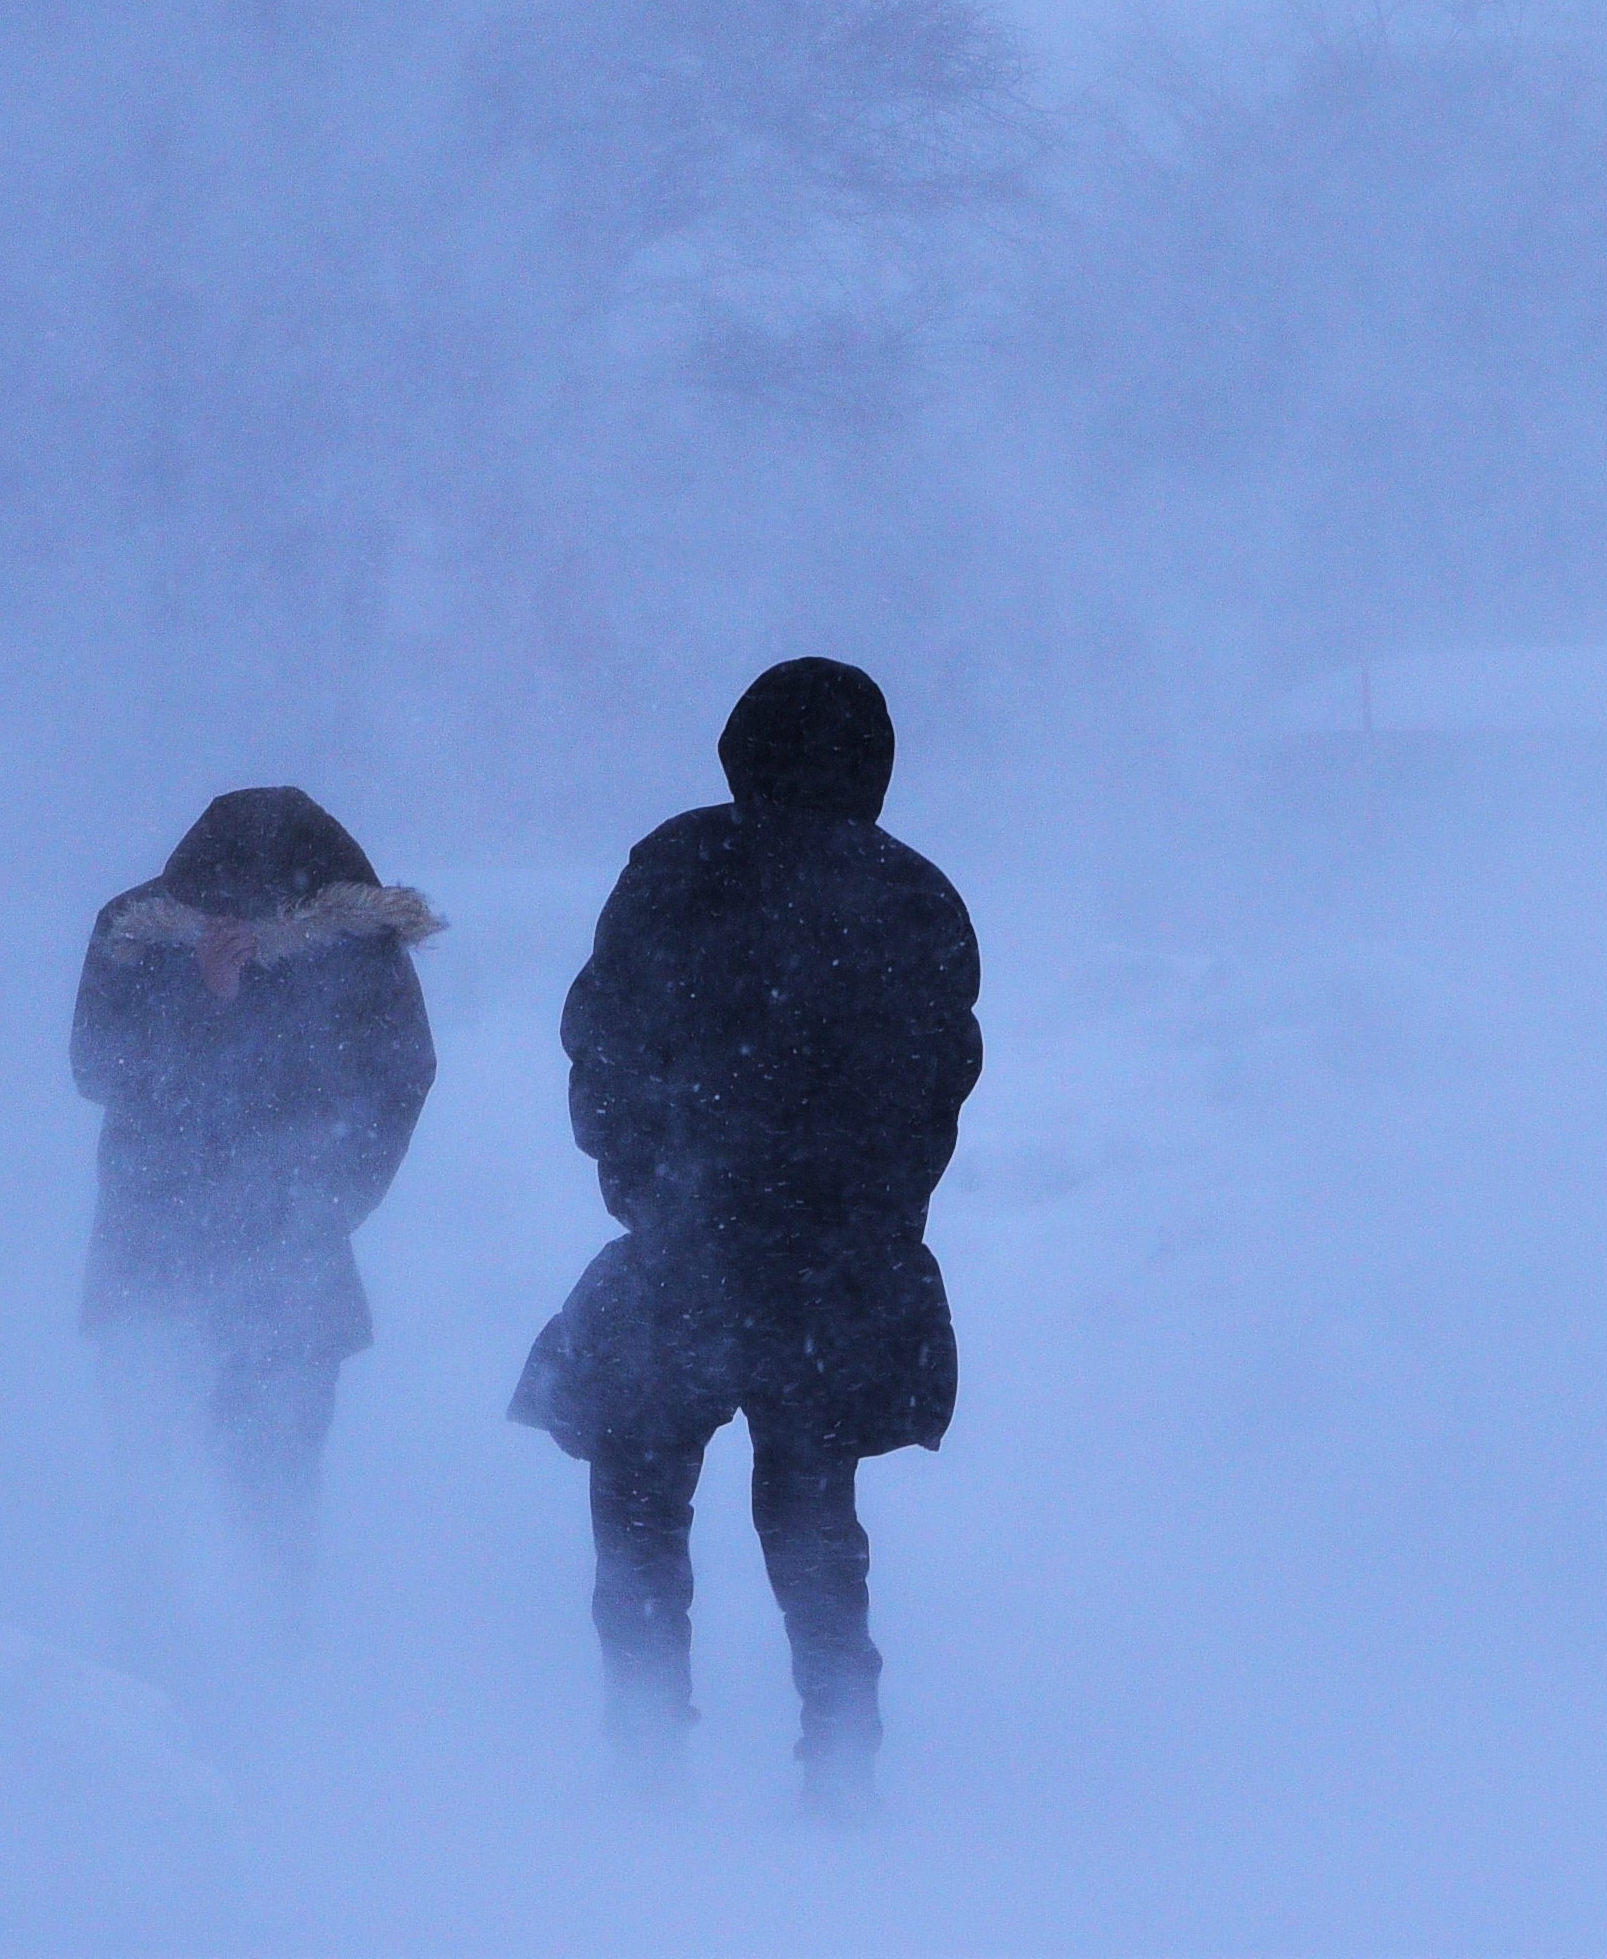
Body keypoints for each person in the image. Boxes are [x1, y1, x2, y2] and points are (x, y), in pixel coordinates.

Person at [513, 657, 981, 1816]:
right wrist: (873, 1212)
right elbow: (938, 1083)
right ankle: (841, 1753)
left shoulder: (678, 865)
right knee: (812, 1504)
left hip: (686, 1247)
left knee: (636, 1492)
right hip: (836, 1266)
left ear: (742, 747)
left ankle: (643, 1751)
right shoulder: (915, 893)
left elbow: (602, 1037)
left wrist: (642, 1183)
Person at [68, 786, 441, 1612]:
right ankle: (148, 1697)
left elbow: (400, 1075)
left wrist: (331, 1200)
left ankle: (267, 1687)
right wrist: (203, 1000)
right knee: (155, 1489)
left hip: (292, 1263)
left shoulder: (356, 947)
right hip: (154, 1255)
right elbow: (96, 1067)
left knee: (274, 1495)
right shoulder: (137, 933)